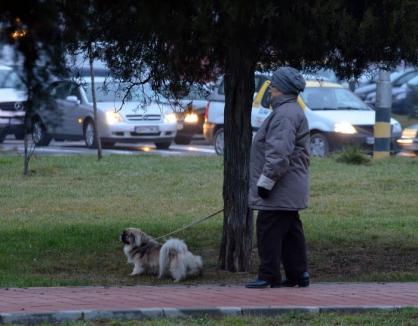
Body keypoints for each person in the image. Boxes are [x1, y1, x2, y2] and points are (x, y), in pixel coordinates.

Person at [246, 67, 310, 289]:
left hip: (280, 187)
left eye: (272, 87)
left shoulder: (284, 114)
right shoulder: (290, 111)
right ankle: (298, 275)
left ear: (282, 89)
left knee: (268, 229)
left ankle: (268, 276)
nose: (270, 91)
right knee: (291, 232)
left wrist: (265, 183)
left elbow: (279, 154)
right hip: (289, 187)